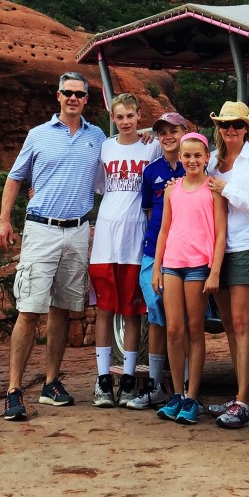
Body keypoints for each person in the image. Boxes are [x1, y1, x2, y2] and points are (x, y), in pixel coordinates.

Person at [0, 71, 105, 422]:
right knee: (29, 309)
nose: (73, 98)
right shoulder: (38, 135)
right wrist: (4, 220)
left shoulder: (98, 137)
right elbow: (15, 177)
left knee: (62, 308)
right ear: (57, 97)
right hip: (41, 228)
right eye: (67, 93)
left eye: (79, 94)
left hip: (77, 231)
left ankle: (50, 384)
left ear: (87, 100)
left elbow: (118, 167)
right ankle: (14, 390)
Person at [205, 100, 249, 429]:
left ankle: (246, 400)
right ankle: (240, 397)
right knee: (227, 324)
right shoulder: (213, 162)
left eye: (236, 125)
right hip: (218, 247)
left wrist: (229, 189)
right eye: (224, 125)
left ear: (246, 128)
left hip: (247, 243)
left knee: (240, 322)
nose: (230, 130)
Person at [88, 93, 161, 408]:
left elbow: (178, 142)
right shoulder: (104, 147)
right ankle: (104, 380)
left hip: (135, 239)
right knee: (105, 309)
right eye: (120, 116)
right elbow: (96, 185)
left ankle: (129, 379)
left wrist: (154, 133)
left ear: (138, 115)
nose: (126, 121)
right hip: (106, 238)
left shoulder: (151, 146)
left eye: (131, 115)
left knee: (133, 311)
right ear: (113, 118)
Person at [152, 132, 227, 425]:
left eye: (198, 155)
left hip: (198, 266)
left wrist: (215, 270)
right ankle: (177, 395)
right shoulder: (173, 189)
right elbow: (164, 230)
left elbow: (221, 233)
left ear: (207, 157)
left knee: (195, 330)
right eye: (187, 156)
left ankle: (193, 396)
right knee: (173, 330)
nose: (192, 160)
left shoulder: (214, 189)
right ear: (180, 158)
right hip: (172, 264)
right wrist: (157, 266)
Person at [126, 110, 188, 410]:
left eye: (173, 131)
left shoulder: (194, 166)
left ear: (183, 133)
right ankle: (154, 385)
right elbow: (151, 213)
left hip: (185, 252)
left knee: (183, 320)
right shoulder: (151, 172)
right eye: (162, 132)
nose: (167, 137)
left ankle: (187, 389)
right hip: (154, 252)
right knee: (156, 316)